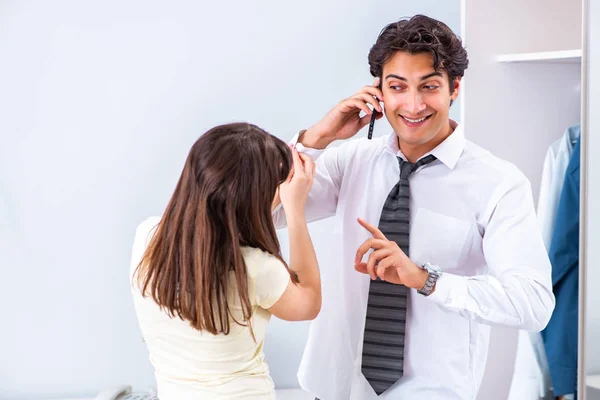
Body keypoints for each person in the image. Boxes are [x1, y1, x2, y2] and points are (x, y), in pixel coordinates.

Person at [272, 15, 555, 399]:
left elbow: (533, 303)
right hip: (334, 386)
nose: (413, 104)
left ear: (455, 88)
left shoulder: (498, 184)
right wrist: (316, 138)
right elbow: (267, 213)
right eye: (397, 87)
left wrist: (424, 279)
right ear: (378, 92)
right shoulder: (350, 161)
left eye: (430, 86)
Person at [130, 122, 320, 399]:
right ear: (251, 200)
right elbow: (310, 301)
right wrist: (295, 211)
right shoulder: (255, 268)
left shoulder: (148, 237)